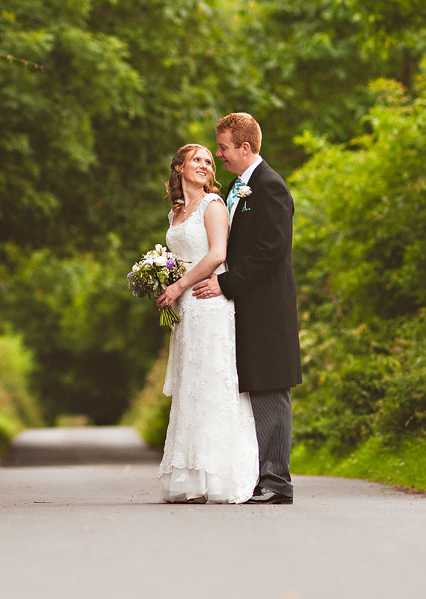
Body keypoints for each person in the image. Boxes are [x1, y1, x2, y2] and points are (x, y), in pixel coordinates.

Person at [192, 112, 302, 505]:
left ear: (245, 147)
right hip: (248, 309)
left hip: (268, 310)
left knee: (271, 389)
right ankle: (262, 476)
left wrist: (225, 283)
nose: (218, 154)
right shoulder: (243, 187)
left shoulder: (269, 186)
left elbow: (272, 250)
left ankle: (277, 481)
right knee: (257, 390)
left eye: (222, 147)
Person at [154, 143, 259, 504]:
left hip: (209, 302)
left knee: (212, 380)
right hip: (185, 309)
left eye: (209, 161)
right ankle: (191, 477)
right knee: (190, 383)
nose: (204, 165)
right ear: (179, 166)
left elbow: (217, 254)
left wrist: (180, 283)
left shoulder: (213, 205)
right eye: (196, 159)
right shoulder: (177, 214)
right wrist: (160, 279)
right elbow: (178, 258)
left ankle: (220, 476)